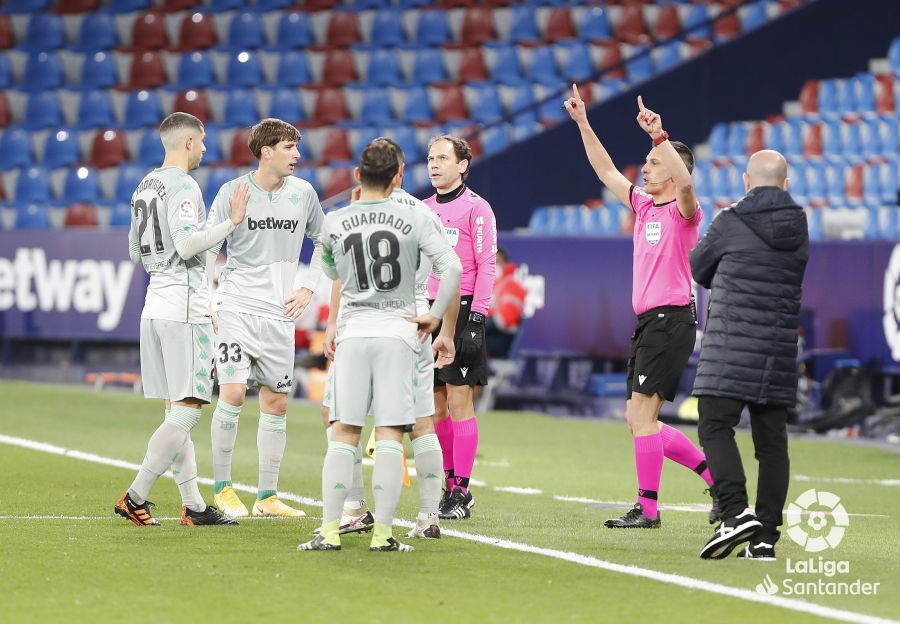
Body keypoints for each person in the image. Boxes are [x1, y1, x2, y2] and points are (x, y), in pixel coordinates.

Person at [564, 85, 718, 529]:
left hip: (671, 320)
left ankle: (648, 509)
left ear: (671, 169)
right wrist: (583, 123)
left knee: (643, 418)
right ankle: (718, 478)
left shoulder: (685, 212)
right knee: (638, 420)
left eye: (653, 163)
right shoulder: (643, 204)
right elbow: (605, 169)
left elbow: (686, 184)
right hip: (650, 322)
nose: (645, 168)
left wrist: (659, 137)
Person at [299, 141, 462, 552]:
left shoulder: (337, 220)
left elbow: (332, 271)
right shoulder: (419, 215)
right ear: (398, 175)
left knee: (343, 430)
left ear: (358, 175)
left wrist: (333, 323)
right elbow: (453, 267)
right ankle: (390, 532)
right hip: (404, 328)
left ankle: (332, 528)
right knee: (398, 429)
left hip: (355, 329)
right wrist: (436, 316)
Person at [114, 111, 246, 527]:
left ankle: (193, 505)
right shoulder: (184, 185)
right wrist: (230, 223)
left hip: (154, 305)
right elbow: (188, 245)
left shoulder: (143, 185)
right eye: (202, 141)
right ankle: (136, 495)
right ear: (188, 142)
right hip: (184, 309)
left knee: (176, 409)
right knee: (189, 409)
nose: (204, 149)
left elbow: (134, 252)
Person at [693, 150, 809, 560]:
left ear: (746, 181)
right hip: (778, 351)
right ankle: (765, 540)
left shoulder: (730, 220)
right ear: (786, 185)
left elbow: (698, 266)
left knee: (714, 425)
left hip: (731, 345)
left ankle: (735, 511)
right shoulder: (800, 225)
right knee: (772, 444)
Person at [205, 118, 324, 518]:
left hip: (279, 315)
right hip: (236, 308)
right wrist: (207, 300)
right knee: (234, 394)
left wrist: (308, 287)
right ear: (266, 151)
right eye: (289, 147)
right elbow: (208, 248)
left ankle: (267, 497)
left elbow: (325, 242)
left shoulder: (304, 193)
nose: (297, 155)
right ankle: (222, 488)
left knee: (276, 403)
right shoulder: (232, 191)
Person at [424, 134, 497, 520]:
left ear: (463, 165)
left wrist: (478, 317)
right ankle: (450, 485)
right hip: (428, 312)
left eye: (442, 158)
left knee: (459, 401)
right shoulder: (422, 209)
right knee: (436, 407)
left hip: (465, 309)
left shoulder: (477, 208)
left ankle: (462, 491)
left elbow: (486, 265)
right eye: (430, 159)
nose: (434, 165)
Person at [486, 247, 527, 358]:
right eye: (490, 262)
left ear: (505, 264)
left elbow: (505, 320)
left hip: (502, 339)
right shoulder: (492, 285)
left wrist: (478, 324)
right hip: (489, 334)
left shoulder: (513, 285)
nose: (493, 266)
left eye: (497, 262)